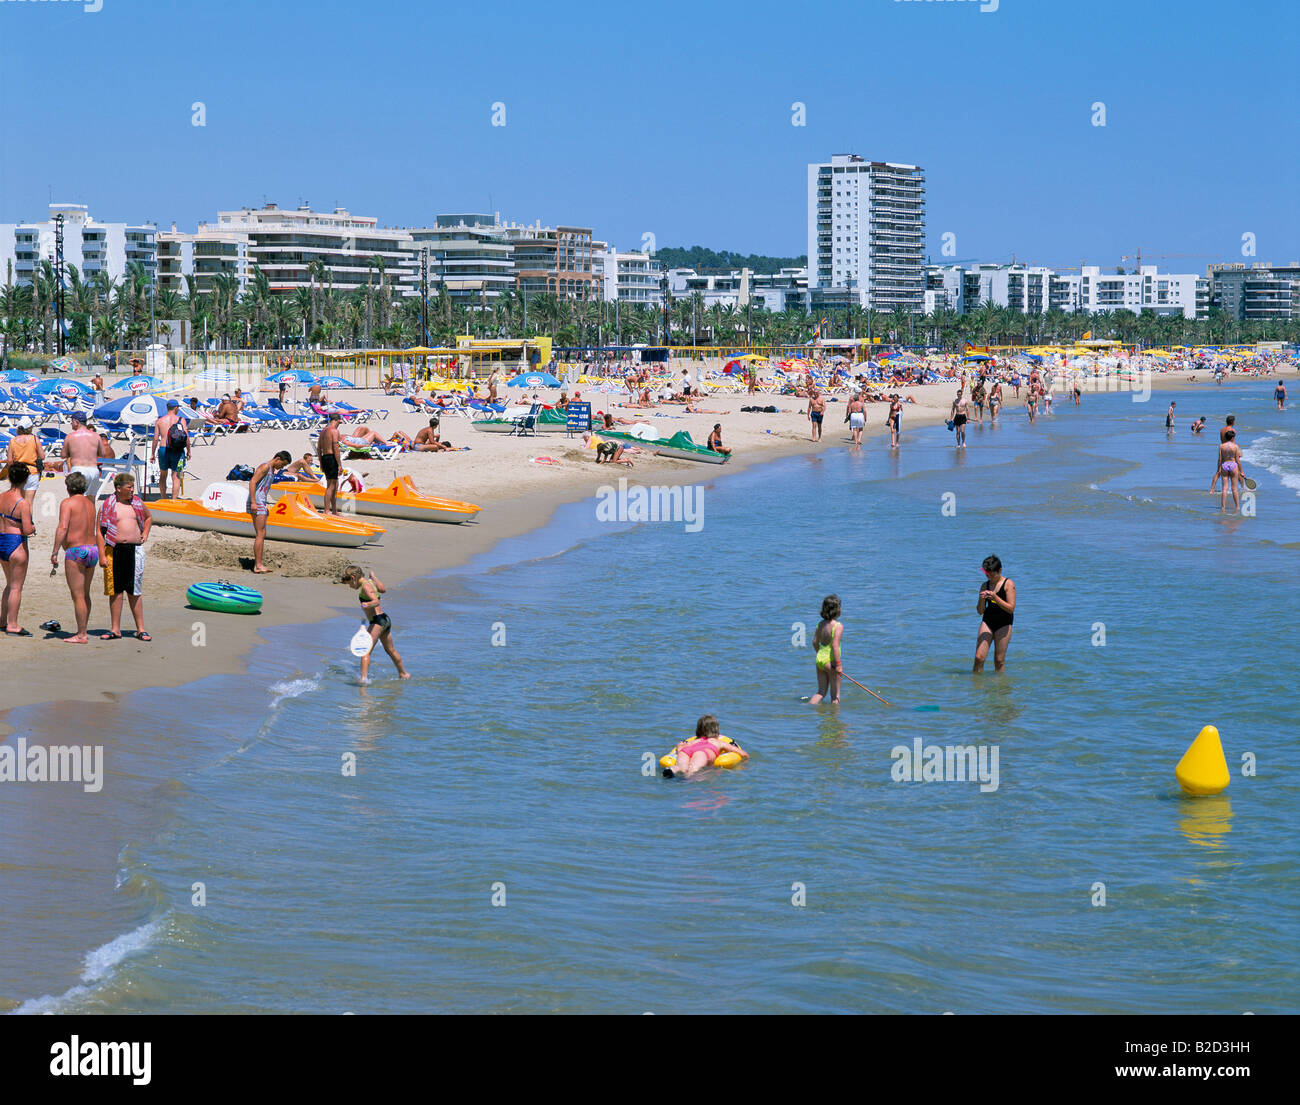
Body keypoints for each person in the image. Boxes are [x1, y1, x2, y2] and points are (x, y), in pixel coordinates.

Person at [97, 473, 152, 641]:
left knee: (134, 591)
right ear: (118, 488)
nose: (132, 490)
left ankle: (140, 629)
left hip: (134, 550)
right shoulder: (107, 505)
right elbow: (99, 532)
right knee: (116, 591)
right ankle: (115, 629)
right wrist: (101, 554)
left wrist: (145, 533)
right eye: (129, 487)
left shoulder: (137, 503)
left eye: (132, 487)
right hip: (114, 550)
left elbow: (149, 518)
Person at [50, 472, 99, 642]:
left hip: (76, 551)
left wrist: (55, 551)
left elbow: (63, 527)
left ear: (68, 487)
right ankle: (83, 629)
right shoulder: (90, 504)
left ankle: (81, 634)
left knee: (77, 595)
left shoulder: (67, 503)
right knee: (85, 594)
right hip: (92, 550)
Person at [342, 565, 410, 683]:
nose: (350, 586)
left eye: (349, 583)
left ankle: (363, 680)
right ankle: (403, 673)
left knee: (365, 650)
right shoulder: (370, 583)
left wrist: (366, 605)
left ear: (353, 578)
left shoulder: (365, 587)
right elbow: (383, 589)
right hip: (385, 620)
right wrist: (374, 577)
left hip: (377, 622)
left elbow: (376, 601)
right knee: (391, 650)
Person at [0, 463, 36, 635]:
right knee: (16, 587)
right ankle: (13, 624)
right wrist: (34, 528)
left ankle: (2, 620)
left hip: (2, 540)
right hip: (16, 542)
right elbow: (28, 529)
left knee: (9, 584)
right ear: (26, 479)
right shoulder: (23, 503)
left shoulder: (1, 497)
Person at [661, 715, 747, 778]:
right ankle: (685, 780)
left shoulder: (694, 741)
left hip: (687, 750)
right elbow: (739, 752)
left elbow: (681, 745)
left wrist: (679, 750)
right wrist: (745, 759)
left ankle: (673, 769)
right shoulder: (718, 742)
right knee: (693, 769)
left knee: (681, 767)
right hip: (702, 752)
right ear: (716, 730)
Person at [248, 451, 292, 573]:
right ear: (277, 458)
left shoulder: (271, 469)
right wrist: (253, 502)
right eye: (282, 464)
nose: (281, 467)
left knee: (261, 533)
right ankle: (258, 565)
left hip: (260, 502)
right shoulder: (265, 466)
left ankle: (258, 564)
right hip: (256, 502)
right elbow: (252, 482)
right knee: (260, 534)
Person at [973, 554, 1015, 673]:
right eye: (987, 574)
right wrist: (982, 599)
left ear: (1000, 570)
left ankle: (1000, 688)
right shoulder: (985, 585)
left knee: (999, 660)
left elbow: (1011, 608)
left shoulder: (1008, 584)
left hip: (1004, 623)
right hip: (988, 621)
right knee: (979, 657)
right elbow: (980, 611)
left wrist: (995, 597)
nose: (989, 577)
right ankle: (976, 686)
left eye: (992, 574)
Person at [808, 594, 843, 705]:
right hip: (831, 662)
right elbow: (835, 646)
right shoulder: (837, 626)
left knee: (821, 692)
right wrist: (838, 665)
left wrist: (820, 654)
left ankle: (807, 707)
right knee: (835, 696)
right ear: (837, 610)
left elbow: (814, 642)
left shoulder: (820, 624)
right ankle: (834, 721)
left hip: (820, 660)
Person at [152, 399, 190, 499]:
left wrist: (152, 453)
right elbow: (186, 437)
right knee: (176, 476)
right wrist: (189, 451)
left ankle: (164, 498)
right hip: (177, 450)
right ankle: (173, 500)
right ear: (176, 407)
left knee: (163, 474)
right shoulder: (181, 420)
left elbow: (155, 439)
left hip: (163, 449)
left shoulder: (159, 421)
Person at [5, 418, 45, 513]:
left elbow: (10, 460)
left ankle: (19, 523)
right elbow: (42, 456)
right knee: (29, 502)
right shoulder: (34, 439)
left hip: (18, 471)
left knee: (18, 500)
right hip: (32, 471)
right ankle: (28, 524)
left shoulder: (13, 440)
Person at [62, 412, 105, 498]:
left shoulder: (70, 436)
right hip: (93, 470)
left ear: (76, 422)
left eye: (72, 421)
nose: (71, 423)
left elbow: (63, 455)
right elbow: (103, 453)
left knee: (76, 499)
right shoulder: (96, 436)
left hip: (78, 469)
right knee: (91, 500)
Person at [317, 412, 343, 515]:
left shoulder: (323, 431)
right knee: (331, 486)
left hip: (324, 457)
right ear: (337, 420)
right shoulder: (334, 431)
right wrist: (340, 464)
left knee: (334, 484)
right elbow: (336, 448)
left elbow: (319, 448)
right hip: (331, 457)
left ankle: (334, 510)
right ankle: (327, 510)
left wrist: (321, 462)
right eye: (340, 421)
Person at [1216, 429, 1246, 513]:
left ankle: (1223, 507)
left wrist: (1218, 469)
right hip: (1233, 465)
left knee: (1224, 488)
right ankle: (1237, 507)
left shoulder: (1221, 446)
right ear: (1232, 438)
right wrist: (1241, 471)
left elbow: (1220, 459)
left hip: (1224, 465)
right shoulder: (1235, 446)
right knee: (1234, 489)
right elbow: (1237, 460)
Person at [1210, 415, 1237, 492]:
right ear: (1232, 422)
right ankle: (1242, 487)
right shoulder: (1233, 430)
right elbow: (1233, 443)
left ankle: (1212, 489)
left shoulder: (1221, 430)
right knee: (1235, 470)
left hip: (1222, 450)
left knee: (1218, 471)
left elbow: (1222, 440)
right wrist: (1237, 453)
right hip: (1230, 452)